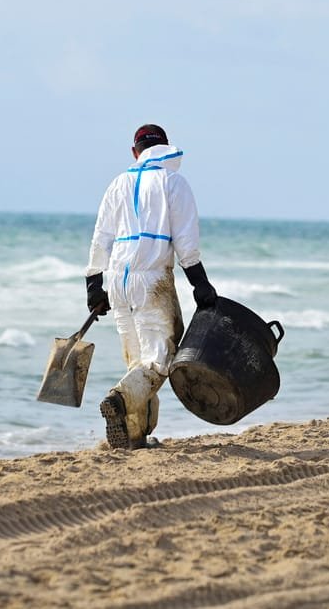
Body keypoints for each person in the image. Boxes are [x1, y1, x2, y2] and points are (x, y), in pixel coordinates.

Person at [84, 124, 218, 449]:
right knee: (160, 360)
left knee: (137, 360)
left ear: (135, 152)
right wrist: (201, 285)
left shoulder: (118, 183)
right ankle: (118, 399)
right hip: (152, 279)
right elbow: (187, 243)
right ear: (167, 148)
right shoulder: (174, 182)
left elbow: (101, 237)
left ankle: (135, 437)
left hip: (118, 280)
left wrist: (93, 285)